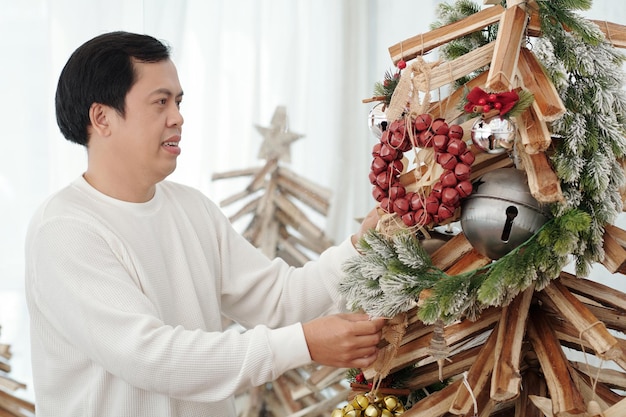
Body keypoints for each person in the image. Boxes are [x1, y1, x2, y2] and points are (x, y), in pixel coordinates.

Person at [25, 31, 383, 417]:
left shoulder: (192, 209)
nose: (178, 117)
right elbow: (151, 357)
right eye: (160, 102)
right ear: (102, 118)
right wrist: (304, 345)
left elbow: (279, 300)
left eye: (177, 102)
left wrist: (362, 244)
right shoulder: (64, 230)